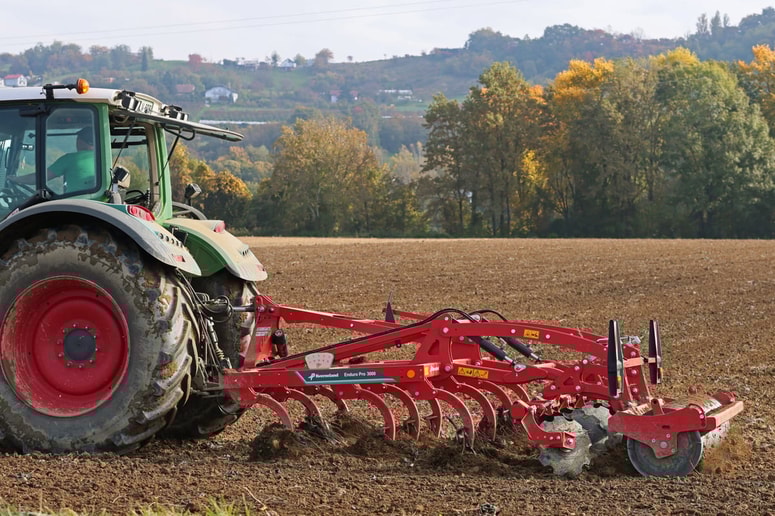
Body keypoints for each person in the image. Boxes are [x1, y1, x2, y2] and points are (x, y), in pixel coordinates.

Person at [14, 126, 96, 192]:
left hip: (74, 206)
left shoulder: (70, 159)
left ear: (79, 141)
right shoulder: (104, 159)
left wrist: (16, 179)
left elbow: (37, 179)